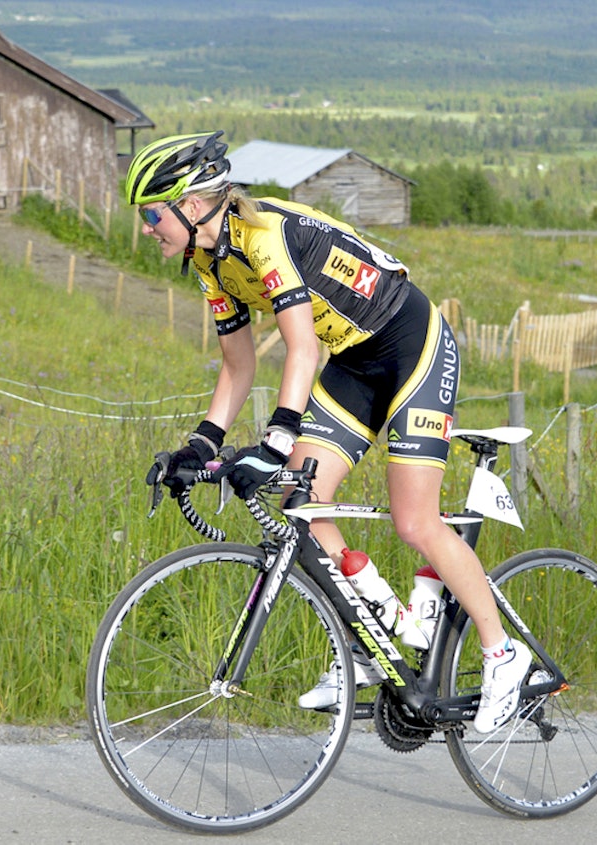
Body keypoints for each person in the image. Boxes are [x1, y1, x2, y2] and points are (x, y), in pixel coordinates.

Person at [127, 131, 528, 733]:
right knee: (300, 503)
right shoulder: (210, 262)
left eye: (152, 214)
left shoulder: (263, 238)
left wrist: (277, 441)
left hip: (410, 344)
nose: (146, 228)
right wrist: (201, 445)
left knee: (413, 520)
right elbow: (239, 365)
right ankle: (376, 636)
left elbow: (301, 346)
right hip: (354, 364)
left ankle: (503, 654)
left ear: (190, 204)